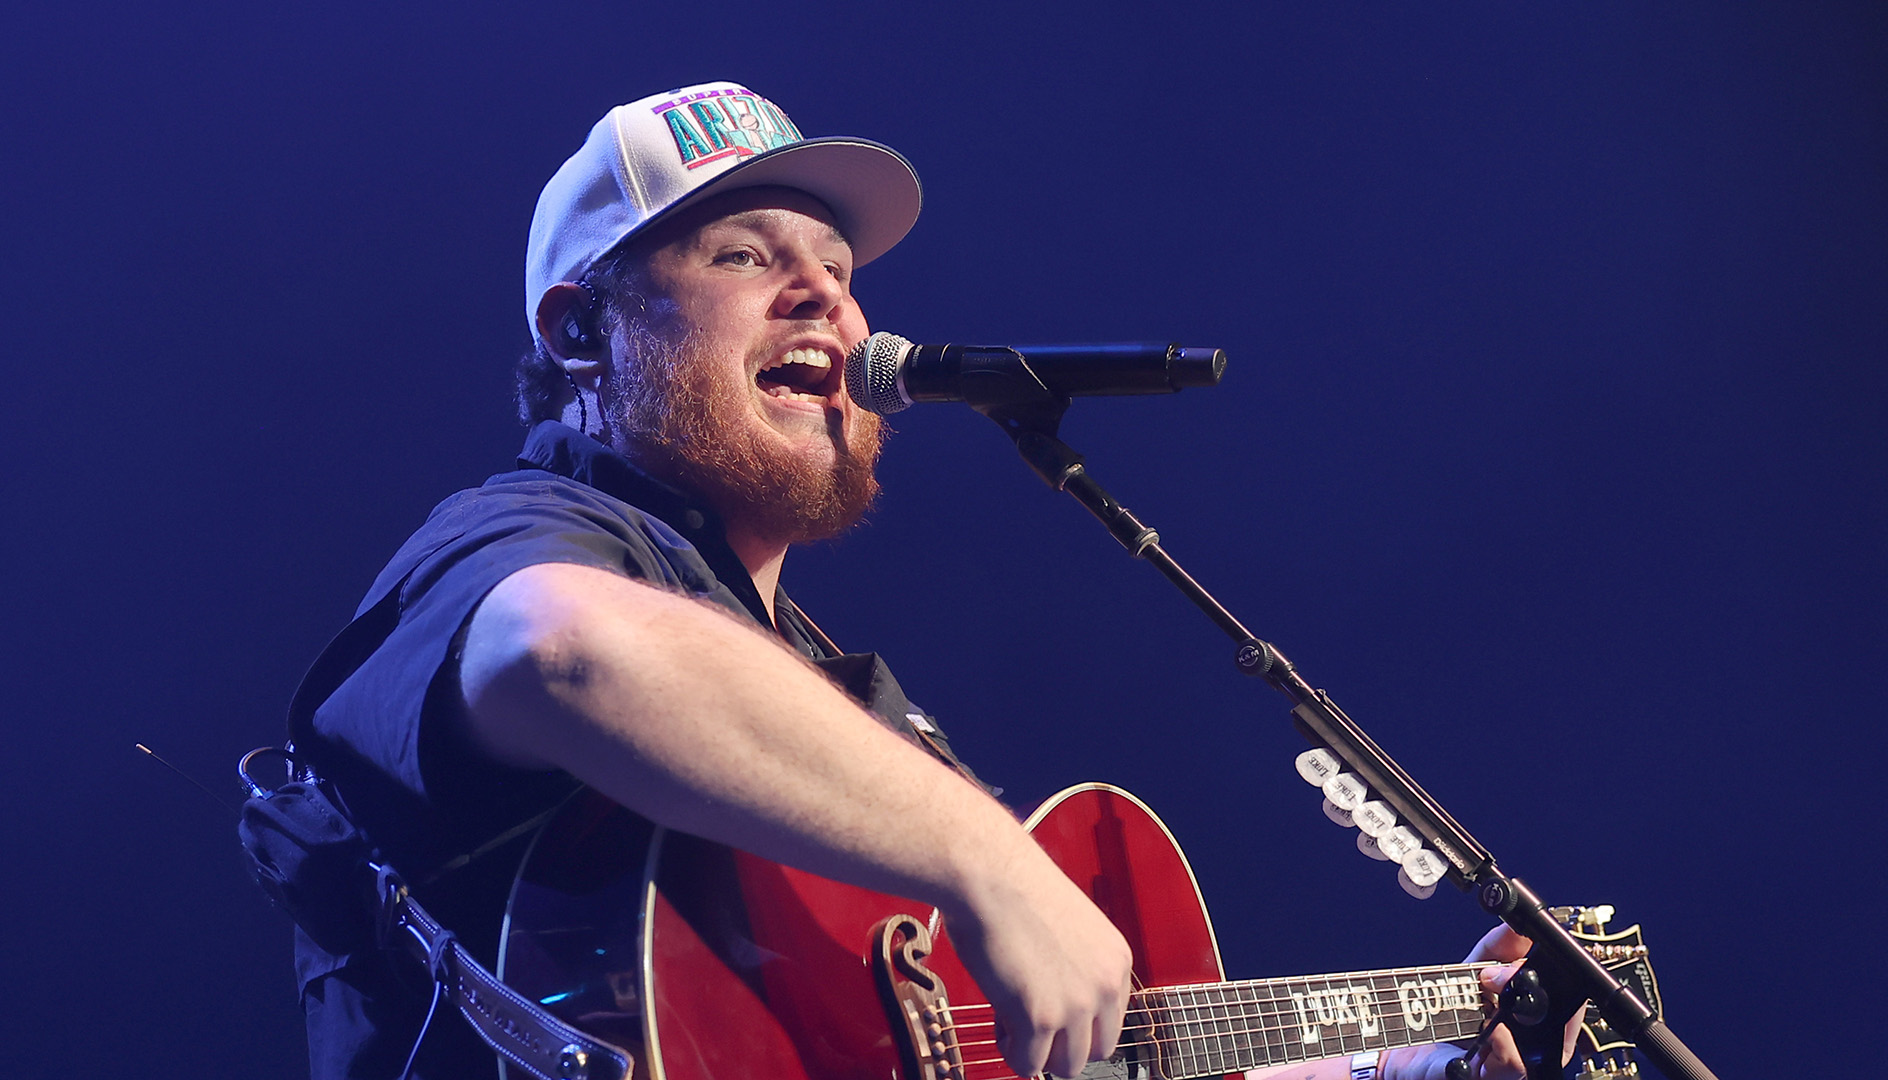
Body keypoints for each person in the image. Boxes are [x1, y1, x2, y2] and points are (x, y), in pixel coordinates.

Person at [286, 81, 1536, 1080]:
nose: (823, 293)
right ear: (581, 332)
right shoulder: (513, 532)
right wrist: (989, 861)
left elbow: (1094, 1049)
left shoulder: (836, 712)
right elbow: (566, 649)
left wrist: (1411, 1058)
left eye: (836, 266)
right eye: (741, 255)